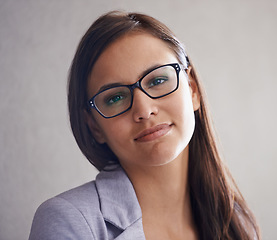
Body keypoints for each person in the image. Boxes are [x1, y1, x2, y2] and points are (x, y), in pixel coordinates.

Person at [29, 11, 261, 240]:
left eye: (158, 80)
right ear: (94, 126)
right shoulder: (69, 221)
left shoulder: (236, 224)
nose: (144, 110)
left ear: (192, 90)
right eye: (115, 97)